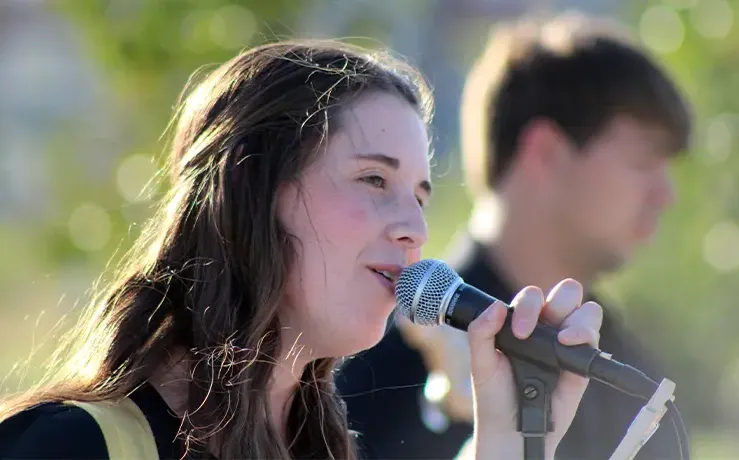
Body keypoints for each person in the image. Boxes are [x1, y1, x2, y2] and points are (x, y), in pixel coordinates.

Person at [0, 40, 602, 460]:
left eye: (420, 195)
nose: (414, 228)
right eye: (374, 179)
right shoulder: (73, 446)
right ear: (254, 193)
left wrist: (518, 438)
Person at [336, 13, 693, 460]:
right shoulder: (368, 351)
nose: (666, 193)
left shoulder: (625, 371)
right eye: (644, 159)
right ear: (545, 151)